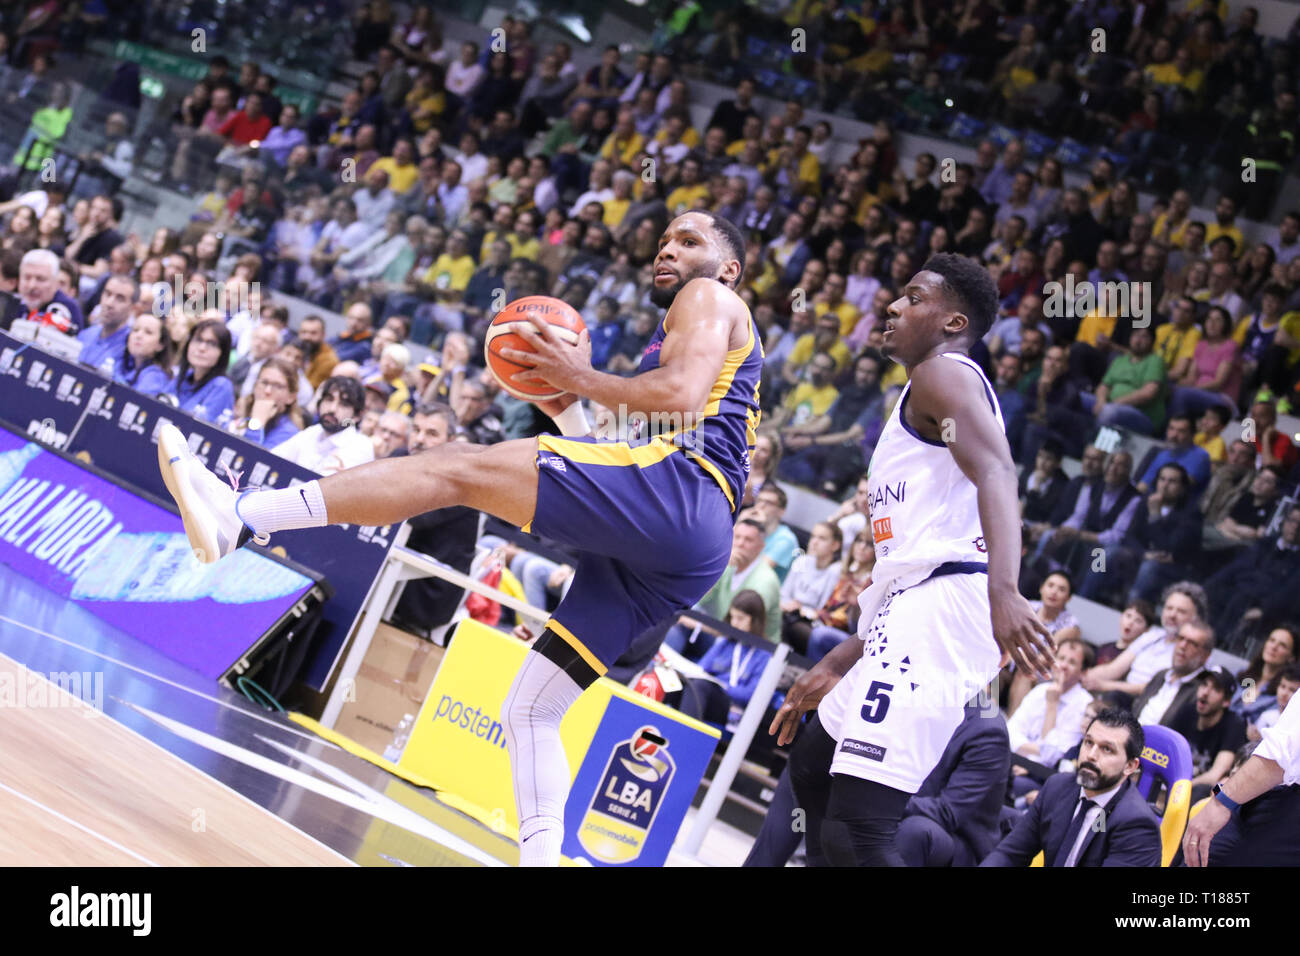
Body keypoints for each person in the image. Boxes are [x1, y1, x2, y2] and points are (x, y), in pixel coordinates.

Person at [157, 210, 765, 868]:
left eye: (689, 241)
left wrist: (576, 377)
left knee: (454, 468)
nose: (667, 249)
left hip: (682, 494)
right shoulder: (687, 334)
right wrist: (565, 400)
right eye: (665, 237)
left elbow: (678, 396)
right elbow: (618, 454)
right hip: (679, 539)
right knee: (533, 707)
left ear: (727, 268)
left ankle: (245, 514)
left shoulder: (710, 297)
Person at [769, 253, 1054, 867]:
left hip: (947, 606)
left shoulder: (944, 374)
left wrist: (1004, 589)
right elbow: (913, 562)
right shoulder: (926, 388)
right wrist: (849, 653)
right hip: (911, 607)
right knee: (814, 767)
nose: (894, 306)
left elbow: (999, 472)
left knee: (859, 831)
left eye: (914, 298)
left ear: (954, 321)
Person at [981, 708, 1162, 866]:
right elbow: (1010, 854)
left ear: (1130, 766)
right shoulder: (1057, 787)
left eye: (1107, 749)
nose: (1091, 755)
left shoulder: (1137, 825)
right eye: (1088, 742)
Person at [1183, 659, 1300, 866]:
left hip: (1280, 802)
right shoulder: (1250, 682)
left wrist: (1223, 802)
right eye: (1282, 686)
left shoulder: (1240, 721)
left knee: (1203, 854)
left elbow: (1281, 753)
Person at [388, 403, 483, 635]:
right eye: (416, 429)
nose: (419, 439)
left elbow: (415, 518)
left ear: (450, 442)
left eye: (431, 434)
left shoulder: (461, 482)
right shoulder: (401, 456)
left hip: (429, 587)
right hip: (396, 565)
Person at [1006, 637, 1096, 766]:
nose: (1063, 665)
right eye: (1061, 658)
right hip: (1014, 760)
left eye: (1072, 662)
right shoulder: (1040, 690)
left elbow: (1055, 755)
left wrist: (1052, 705)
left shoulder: (1085, 705)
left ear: (1083, 672)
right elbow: (1010, 731)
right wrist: (1035, 753)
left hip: (1042, 773)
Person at [267, 374, 375, 475]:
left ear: (357, 416)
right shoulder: (314, 431)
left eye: (344, 404)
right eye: (329, 399)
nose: (332, 409)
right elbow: (271, 460)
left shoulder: (361, 445)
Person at [1130, 620, 1214, 726]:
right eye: (1180, 638)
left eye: (1192, 643)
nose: (1183, 646)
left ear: (1205, 655)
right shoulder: (1161, 675)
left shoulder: (1202, 691)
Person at [164, 319, 236, 426]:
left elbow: (197, 427)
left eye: (212, 344)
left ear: (223, 353)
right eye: (198, 340)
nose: (202, 348)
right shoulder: (183, 377)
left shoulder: (222, 386)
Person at [233, 358, 303, 449]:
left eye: (278, 386)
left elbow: (246, 455)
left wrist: (256, 423)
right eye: (264, 383)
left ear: (291, 397)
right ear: (255, 386)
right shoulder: (241, 412)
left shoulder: (289, 434)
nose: (267, 391)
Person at [76, 274, 135, 375]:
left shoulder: (131, 349)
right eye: (107, 294)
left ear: (133, 308)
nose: (109, 303)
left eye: (120, 298)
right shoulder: (85, 334)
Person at [115, 312, 174, 397]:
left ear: (160, 345)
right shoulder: (121, 361)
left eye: (148, 332)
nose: (138, 335)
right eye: (135, 330)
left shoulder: (154, 377)